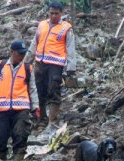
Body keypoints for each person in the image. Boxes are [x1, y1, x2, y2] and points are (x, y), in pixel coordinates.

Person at [0, 40, 40, 160]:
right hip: (2, 110)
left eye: (23, 54)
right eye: (19, 53)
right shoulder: (0, 65)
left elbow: (32, 90)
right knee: (0, 138)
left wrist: (35, 107)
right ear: (12, 52)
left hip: (21, 110)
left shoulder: (27, 68)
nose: (21, 56)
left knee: (20, 136)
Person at [24, 1, 76, 132]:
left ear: (61, 13)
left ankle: (52, 120)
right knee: (40, 91)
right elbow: (34, 44)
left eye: (56, 13)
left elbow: (71, 48)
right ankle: (42, 120)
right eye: (51, 13)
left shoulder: (66, 28)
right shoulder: (42, 25)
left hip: (55, 65)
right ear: (48, 12)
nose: (53, 16)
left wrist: (71, 68)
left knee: (53, 92)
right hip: (40, 64)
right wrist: (26, 62)